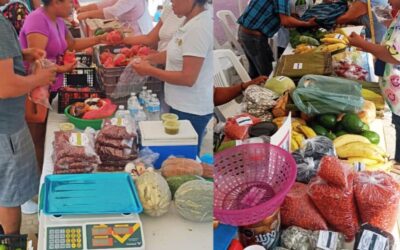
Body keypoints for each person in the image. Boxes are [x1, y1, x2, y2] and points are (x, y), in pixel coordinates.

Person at [0, 0, 56, 234]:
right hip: (7, 131)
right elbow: (5, 86)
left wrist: (20, 54)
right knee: (10, 198)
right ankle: (10, 245)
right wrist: (39, 79)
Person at [132, 0, 213, 151]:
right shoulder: (188, 21)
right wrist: (149, 59)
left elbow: (188, 78)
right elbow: (177, 53)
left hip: (191, 108)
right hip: (178, 102)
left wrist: (149, 70)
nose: (171, 2)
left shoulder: (199, 28)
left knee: (185, 160)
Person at [19, 0, 109, 102]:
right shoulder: (37, 19)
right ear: (56, 2)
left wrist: (99, 39)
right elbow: (37, 60)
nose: (73, 5)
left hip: (53, 84)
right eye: (70, 2)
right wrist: (62, 69)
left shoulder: (58, 20)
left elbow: (72, 44)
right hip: (37, 91)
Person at [348, 0, 400, 170]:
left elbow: (392, 55)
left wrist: (363, 44)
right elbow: (389, 23)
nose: (388, 1)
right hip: (394, 93)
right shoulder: (398, 11)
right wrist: (375, 6)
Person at [237, 0, 317, 78]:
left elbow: (278, 13)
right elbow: (285, 22)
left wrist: (292, 17)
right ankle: (260, 89)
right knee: (269, 74)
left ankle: (252, 88)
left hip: (248, 33)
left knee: (257, 71)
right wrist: (307, 24)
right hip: (253, 37)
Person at [76, 0, 152, 35]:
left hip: (140, 34)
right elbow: (106, 3)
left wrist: (88, 14)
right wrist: (85, 8)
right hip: (129, 32)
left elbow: (113, 11)